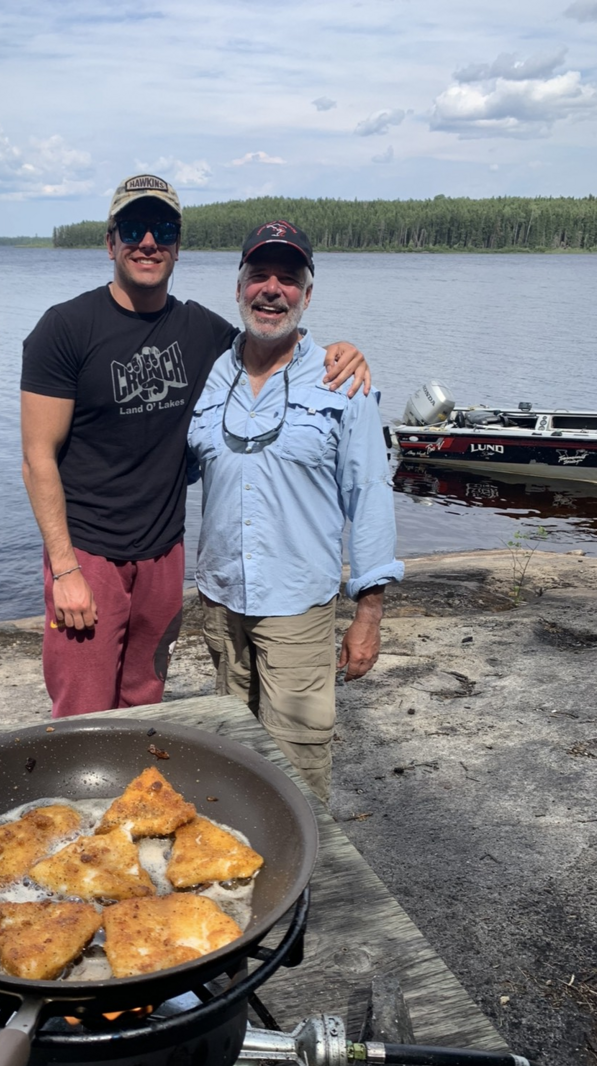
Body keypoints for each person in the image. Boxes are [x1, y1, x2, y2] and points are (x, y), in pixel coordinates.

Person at [20, 176, 371, 718]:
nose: (148, 242)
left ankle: (135, 804)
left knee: (145, 701)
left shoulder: (202, 333)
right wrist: (65, 571)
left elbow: (272, 338)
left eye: (163, 229)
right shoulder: (64, 329)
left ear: (178, 245)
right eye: (133, 228)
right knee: (83, 713)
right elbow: (37, 458)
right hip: (88, 555)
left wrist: (341, 352)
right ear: (110, 242)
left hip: (164, 556)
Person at [188, 220, 404, 802]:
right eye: (259, 276)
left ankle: (305, 886)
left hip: (299, 609)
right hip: (221, 599)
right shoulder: (212, 373)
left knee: (297, 768)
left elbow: (369, 495)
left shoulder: (342, 379)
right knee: (231, 755)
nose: (272, 290)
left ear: (308, 296)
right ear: (238, 288)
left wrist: (369, 616)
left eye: (289, 279)